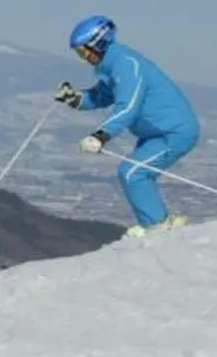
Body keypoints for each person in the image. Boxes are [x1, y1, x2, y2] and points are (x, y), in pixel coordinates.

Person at [55, 15, 202, 236]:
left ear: (98, 44)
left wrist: (101, 135)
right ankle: (156, 224)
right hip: (154, 133)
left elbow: (129, 105)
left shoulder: (127, 64)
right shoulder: (112, 65)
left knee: (133, 173)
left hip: (174, 132)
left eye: (84, 52)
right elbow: (103, 96)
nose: (83, 58)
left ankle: (159, 228)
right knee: (133, 173)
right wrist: (75, 99)